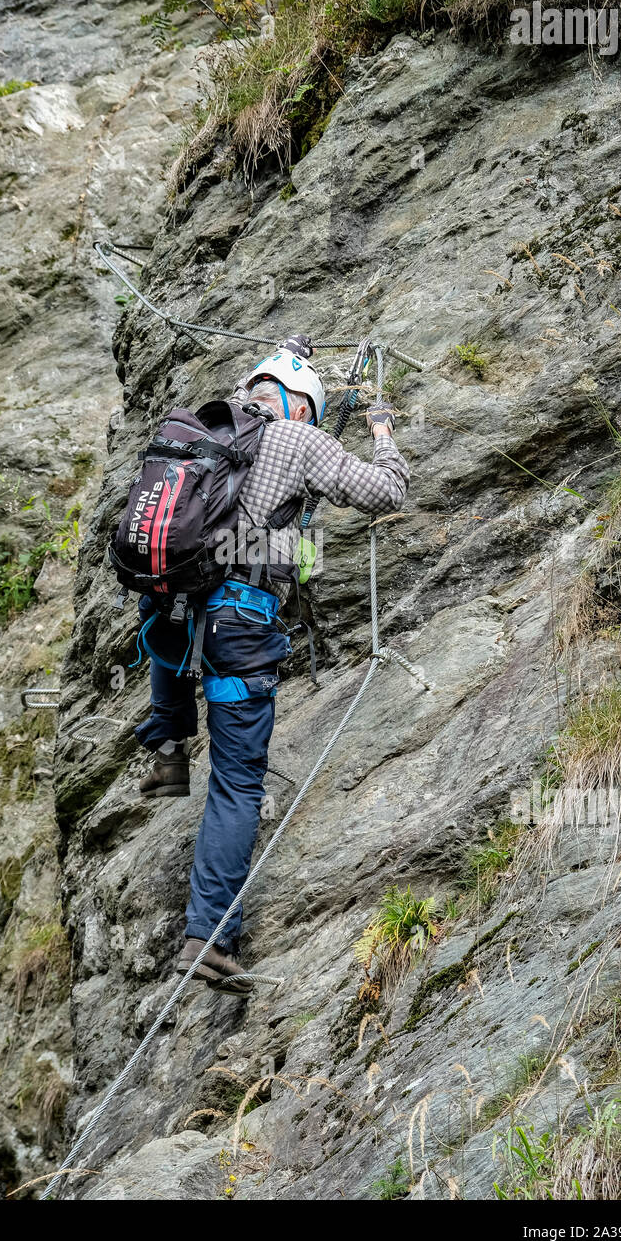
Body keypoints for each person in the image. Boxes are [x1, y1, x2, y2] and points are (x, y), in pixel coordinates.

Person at [132, 335, 409, 994]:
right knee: (236, 783)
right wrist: (382, 429)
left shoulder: (207, 427)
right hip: (241, 622)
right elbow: (387, 491)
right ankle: (207, 937)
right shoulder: (297, 438)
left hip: (172, 607)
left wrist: (289, 352)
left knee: (168, 619)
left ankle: (167, 744)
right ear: (301, 407)